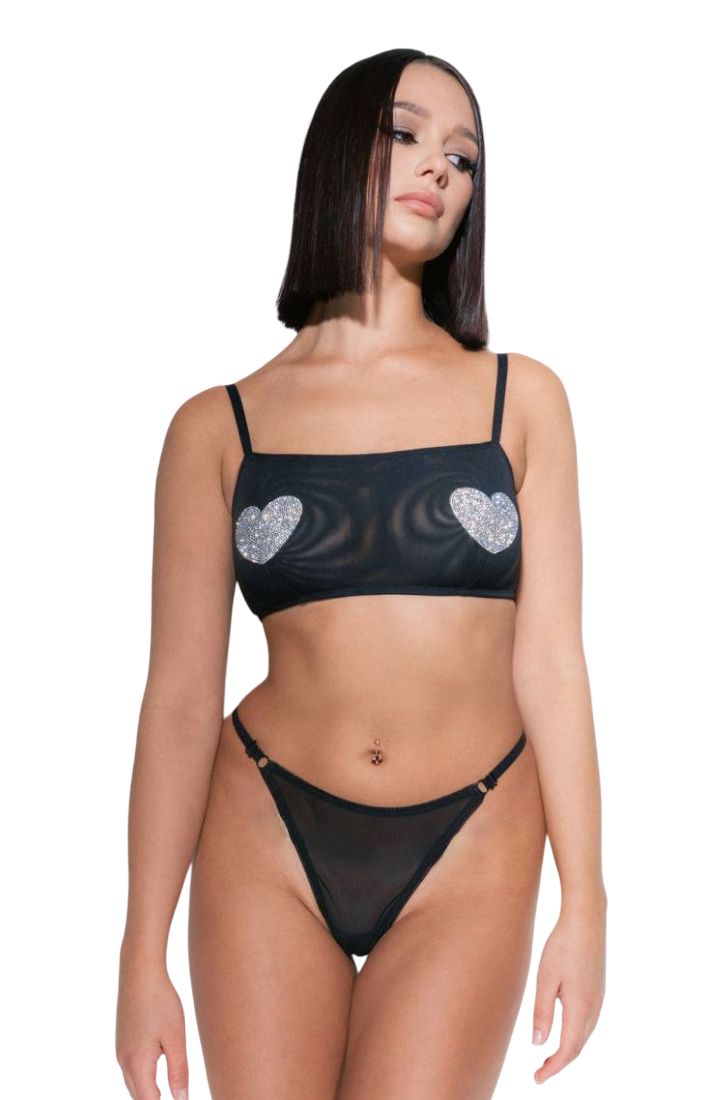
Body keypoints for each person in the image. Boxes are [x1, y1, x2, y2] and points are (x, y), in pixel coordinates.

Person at [115, 48, 607, 1100]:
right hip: (264, 828)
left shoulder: (521, 400)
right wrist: (140, 949)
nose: (439, 169)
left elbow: (554, 665)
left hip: (475, 832)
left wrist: (587, 900)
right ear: (340, 151)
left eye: (464, 158)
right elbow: (179, 698)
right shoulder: (217, 427)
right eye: (407, 134)